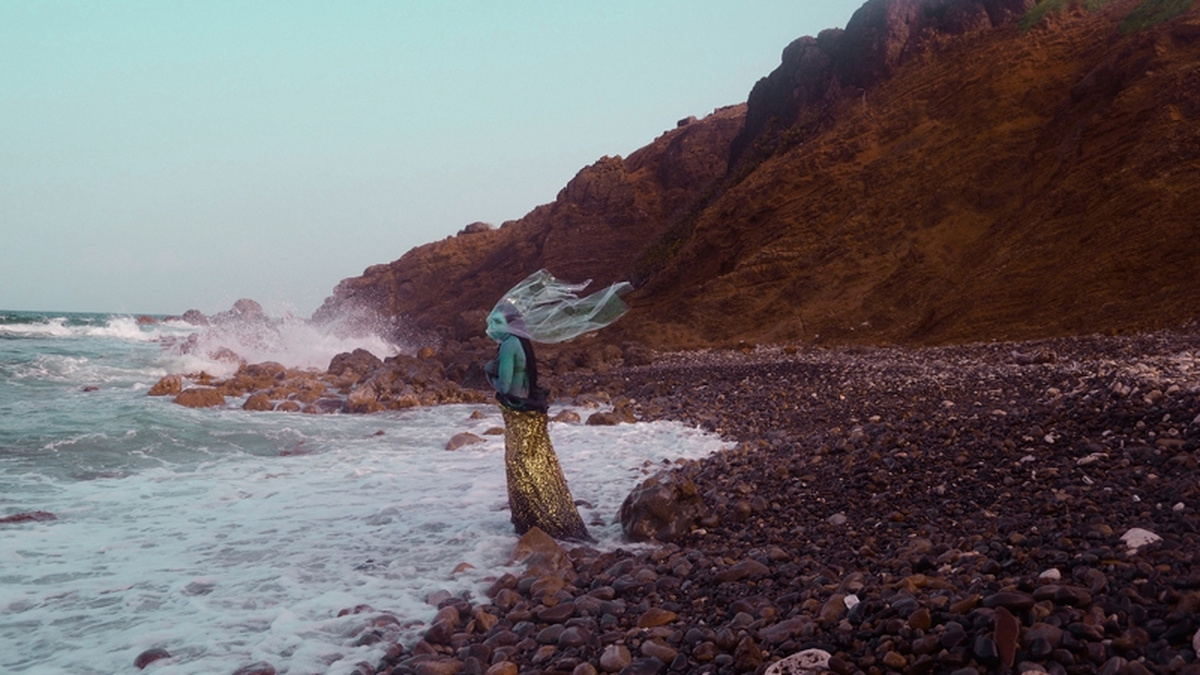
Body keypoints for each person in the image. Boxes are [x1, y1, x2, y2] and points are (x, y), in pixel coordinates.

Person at [484, 270, 632, 541]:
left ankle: (538, 523)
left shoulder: (508, 345)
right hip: (530, 411)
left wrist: (488, 374)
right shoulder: (523, 343)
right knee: (535, 465)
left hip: (519, 413)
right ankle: (543, 522)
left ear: (507, 323)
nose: (490, 328)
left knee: (524, 468)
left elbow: (505, 387)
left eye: (494, 321)